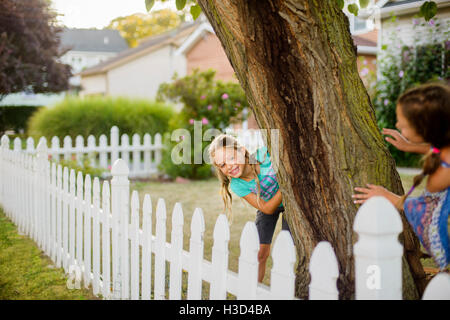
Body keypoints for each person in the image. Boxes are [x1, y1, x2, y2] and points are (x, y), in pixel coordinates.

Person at [353, 83, 450, 271]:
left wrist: (389, 198)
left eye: (403, 124)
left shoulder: (443, 172)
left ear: (425, 128)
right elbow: (441, 148)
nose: (397, 125)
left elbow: (426, 213)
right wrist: (410, 146)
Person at [208, 134, 291, 282]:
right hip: (269, 204)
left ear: (242, 151)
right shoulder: (237, 184)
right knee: (260, 253)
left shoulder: (265, 155)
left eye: (231, 158)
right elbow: (267, 209)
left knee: (287, 248)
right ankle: (253, 292)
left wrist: (288, 189)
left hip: (291, 205)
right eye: (222, 165)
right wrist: (287, 186)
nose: (229, 166)